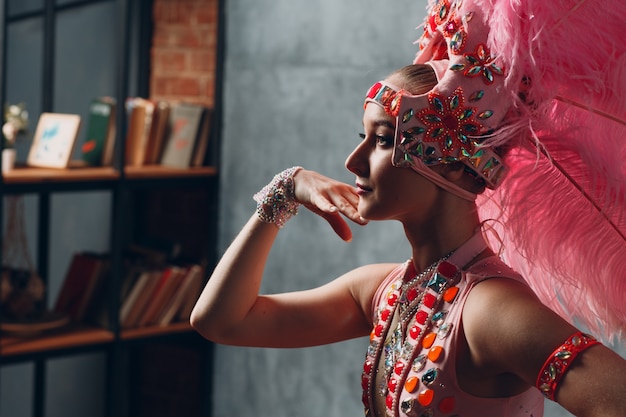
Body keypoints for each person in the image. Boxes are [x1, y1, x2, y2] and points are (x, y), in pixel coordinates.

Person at [191, 1, 626, 416]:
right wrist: (283, 192)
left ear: (456, 168)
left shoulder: (491, 311)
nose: (353, 161)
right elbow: (222, 321)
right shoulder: (383, 291)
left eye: (381, 140)